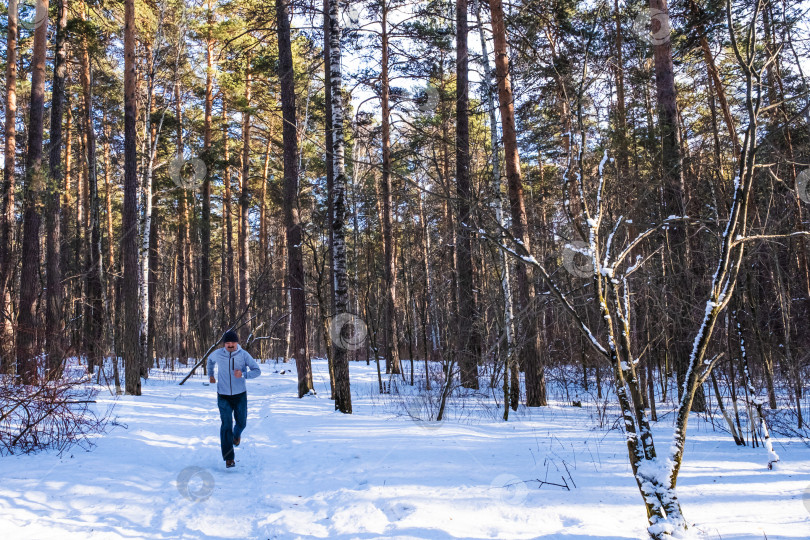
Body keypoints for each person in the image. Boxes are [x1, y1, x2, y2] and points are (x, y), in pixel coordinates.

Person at [207, 330, 261, 467]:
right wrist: (211, 375)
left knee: (241, 423)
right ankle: (228, 458)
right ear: (224, 344)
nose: (230, 345)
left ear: (237, 343)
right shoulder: (218, 354)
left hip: (240, 395)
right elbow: (210, 360)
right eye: (227, 343)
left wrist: (243, 374)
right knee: (226, 426)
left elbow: (257, 371)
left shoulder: (244, 355)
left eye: (232, 343)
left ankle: (236, 435)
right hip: (223, 395)